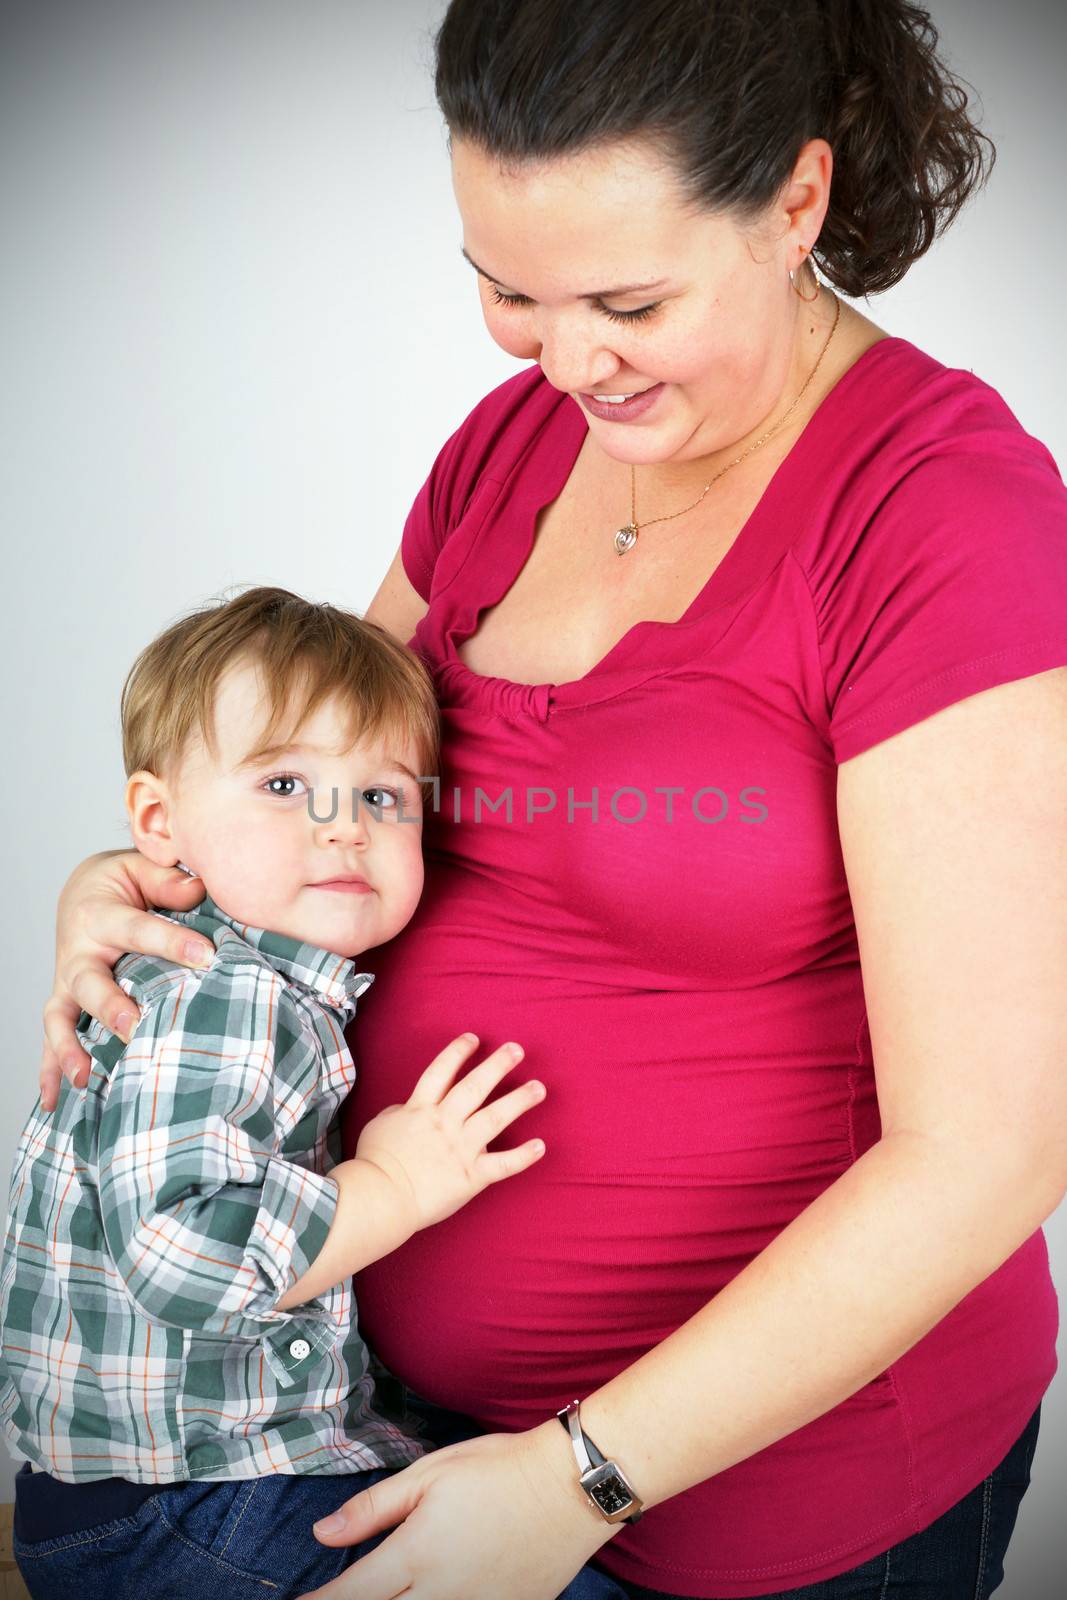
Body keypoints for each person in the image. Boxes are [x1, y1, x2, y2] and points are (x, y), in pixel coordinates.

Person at [31, 1, 1067, 1597]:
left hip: (766, 1500)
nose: (562, 359)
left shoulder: (941, 518)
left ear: (793, 208)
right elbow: (311, 777)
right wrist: (135, 886)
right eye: (504, 291)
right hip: (379, 1422)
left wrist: (577, 1478)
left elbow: (988, 1148)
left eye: (626, 300)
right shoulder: (515, 445)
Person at [0, 584, 622, 1600]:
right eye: (285, 784)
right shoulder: (230, 995)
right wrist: (396, 1186)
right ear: (158, 820)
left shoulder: (258, 977)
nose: (341, 828)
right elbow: (182, 1257)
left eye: (380, 797)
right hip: (185, 1503)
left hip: (170, 1493)